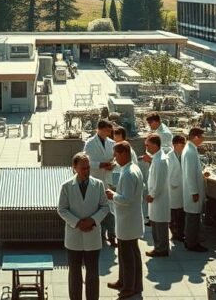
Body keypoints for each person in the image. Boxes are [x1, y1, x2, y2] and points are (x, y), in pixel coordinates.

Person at [58, 152, 110, 300]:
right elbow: (62, 209)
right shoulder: (67, 186)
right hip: (74, 236)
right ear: (74, 168)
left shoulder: (98, 185)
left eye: (88, 168)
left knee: (93, 273)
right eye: (83, 168)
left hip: (92, 235)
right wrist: (78, 223)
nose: (86, 171)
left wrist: (92, 220)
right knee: (74, 273)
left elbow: (105, 207)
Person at [105, 142, 144, 299]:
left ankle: (128, 287)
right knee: (131, 253)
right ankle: (129, 282)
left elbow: (126, 199)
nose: (115, 159)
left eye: (116, 155)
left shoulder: (128, 173)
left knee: (127, 256)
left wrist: (112, 195)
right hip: (130, 220)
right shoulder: (133, 169)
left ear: (123, 154)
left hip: (127, 221)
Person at [84, 119, 116, 246]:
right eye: (107, 130)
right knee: (98, 209)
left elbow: (115, 159)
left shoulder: (112, 143)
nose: (109, 133)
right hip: (96, 179)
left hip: (107, 179)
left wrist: (112, 165)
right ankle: (101, 235)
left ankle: (112, 234)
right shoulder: (90, 143)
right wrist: (101, 165)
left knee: (110, 209)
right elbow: (87, 162)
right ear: (100, 129)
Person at [182, 127, 208, 252]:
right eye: (202, 137)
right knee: (193, 218)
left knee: (192, 218)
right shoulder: (190, 152)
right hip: (192, 192)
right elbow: (189, 174)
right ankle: (192, 243)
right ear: (196, 137)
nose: (203, 140)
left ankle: (189, 241)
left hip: (192, 190)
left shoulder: (191, 149)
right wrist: (194, 192)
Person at [144, 134, 170, 257]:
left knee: (160, 225)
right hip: (156, 198)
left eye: (147, 145)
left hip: (159, 198)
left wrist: (152, 195)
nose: (146, 148)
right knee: (156, 223)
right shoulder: (156, 158)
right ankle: (158, 247)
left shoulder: (161, 160)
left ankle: (162, 249)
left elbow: (160, 181)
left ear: (155, 144)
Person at [167, 135, 186, 242]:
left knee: (181, 213)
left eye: (184, 144)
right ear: (174, 145)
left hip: (182, 188)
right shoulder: (169, 157)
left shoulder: (183, 155)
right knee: (173, 213)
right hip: (173, 188)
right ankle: (175, 233)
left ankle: (180, 233)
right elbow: (167, 175)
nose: (183, 146)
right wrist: (172, 184)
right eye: (181, 144)